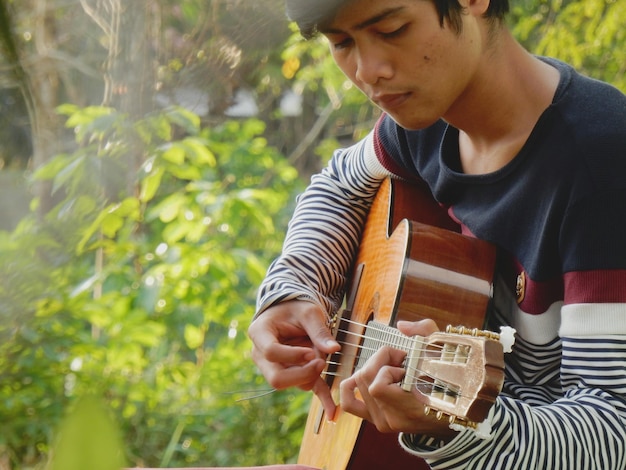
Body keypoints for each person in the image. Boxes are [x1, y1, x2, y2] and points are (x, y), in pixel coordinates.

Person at [248, 0, 626, 468]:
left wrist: (454, 421)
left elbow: (615, 430)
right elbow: (339, 183)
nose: (369, 71)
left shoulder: (603, 163)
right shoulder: (425, 126)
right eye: (341, 43)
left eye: (392, 29)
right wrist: (294, 288)